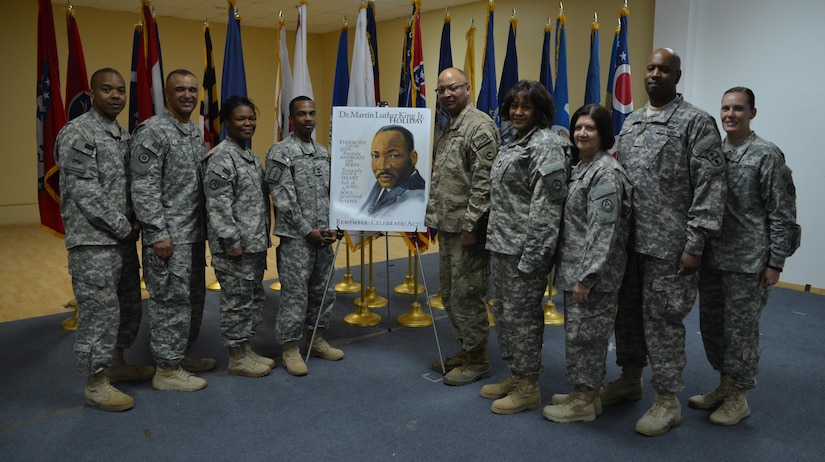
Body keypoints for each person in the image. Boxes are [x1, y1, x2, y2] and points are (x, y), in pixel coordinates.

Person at [603, 48, 727, 436]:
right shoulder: (633, 121)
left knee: (663, 323)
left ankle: (668, 399)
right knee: (628, 317)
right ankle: (630, 378)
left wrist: (695, 244)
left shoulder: (697, 123)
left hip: (670, 247)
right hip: (628, 244)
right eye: (651, 68)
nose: (655, 74)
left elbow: (711, 188)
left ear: (677, 76)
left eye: (664, 69)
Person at [690, 87, 801, 425]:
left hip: (748, 262)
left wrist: (775, 261)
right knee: (713, 328)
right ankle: (724, 385)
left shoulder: (766, 155)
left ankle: (739, 396)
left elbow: (782, 213)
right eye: (725, 108)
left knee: (741, 332)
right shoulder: (713, 153)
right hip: (711, 258)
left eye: (738, 109)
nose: (730, 115)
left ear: (753, 113)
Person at [55, 68, 154, 411]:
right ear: (92, 94)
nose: (116, 95)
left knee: (127, 306)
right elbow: (85, 191)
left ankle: (116, 362)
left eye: (121, 90)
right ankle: (95, 383)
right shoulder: (79, 133)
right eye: (107, 89)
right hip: (94, 243)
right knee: (99, 313)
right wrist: (121, 225)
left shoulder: (120, 135)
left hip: (122, 241)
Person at [481, 80, 571, 414]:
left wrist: (534, 257)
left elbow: (547, 207)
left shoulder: (545, 144)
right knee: (504, 315)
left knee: (523, 319)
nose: (518, 112)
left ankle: (529, 386)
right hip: (503, 245)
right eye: (514, 106)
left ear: (540, 111)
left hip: (524, 251)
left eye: (526, 106)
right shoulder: (514, 142)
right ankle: (516, 375)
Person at [542, 104, 632, 423]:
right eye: (578, 127)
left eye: (590, 128)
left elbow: (603, 231)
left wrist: (588, 277)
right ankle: (585, 393)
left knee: (589, 337)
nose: (582, 133)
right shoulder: (583, 167)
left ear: (603, 134)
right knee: (579, 335)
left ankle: (585, 400)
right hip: (576, 270)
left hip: (593, 277)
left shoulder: (605, 172)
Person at [131, 69, 213, 392]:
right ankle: (165, 368)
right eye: (180, 89)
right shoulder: (153, 132)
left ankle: (181, 354)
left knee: (192, 299)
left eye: (192, 90)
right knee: (170, 301)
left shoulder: (193, 133)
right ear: (167, 94)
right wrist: (157, 232)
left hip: (193, 236)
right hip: (169, 238)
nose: (188, 95)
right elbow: (143, 187)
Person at [426, 67, 500, 386]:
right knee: (451, 293)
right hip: (449, 226)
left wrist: (471, 225)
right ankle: (466, 349)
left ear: (467, 89)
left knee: (468, 294)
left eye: (453, 88)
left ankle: (478, 358)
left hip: (468, 231)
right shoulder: (450, 126)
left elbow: (484, 185)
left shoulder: (478, 126)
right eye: (441, 90)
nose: (446, 95)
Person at [266, 96, 344, 376]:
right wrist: (306, 231)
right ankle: (290, 347)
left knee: (323, 290)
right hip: (298, 240)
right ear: (292, 118)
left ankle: (317, 338)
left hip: (323, 237)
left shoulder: (323, 153)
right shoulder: (280, 152)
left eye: (312, 113)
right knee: (295, 294)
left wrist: (335, 226)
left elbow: (332, 193)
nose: (308, 118)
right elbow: (282, 199)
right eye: (301, 114)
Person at [203, 96, 274, 378]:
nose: (248, 123)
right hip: (235, 248)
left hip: (253, 244)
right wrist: (231, 242)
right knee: (236, 303)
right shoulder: (222, 157)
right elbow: (218, 206)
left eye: (251, 118)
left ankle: (245, 349)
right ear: (226, 123)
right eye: (241, 119)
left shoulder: (249, 157)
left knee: (250, 299)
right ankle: (236, 357)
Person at [358, 125, 425, 217]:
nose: (382, 166)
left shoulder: (419, 197)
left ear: (413, 158)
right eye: (375, 156)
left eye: (393, 156)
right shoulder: (380, 186)